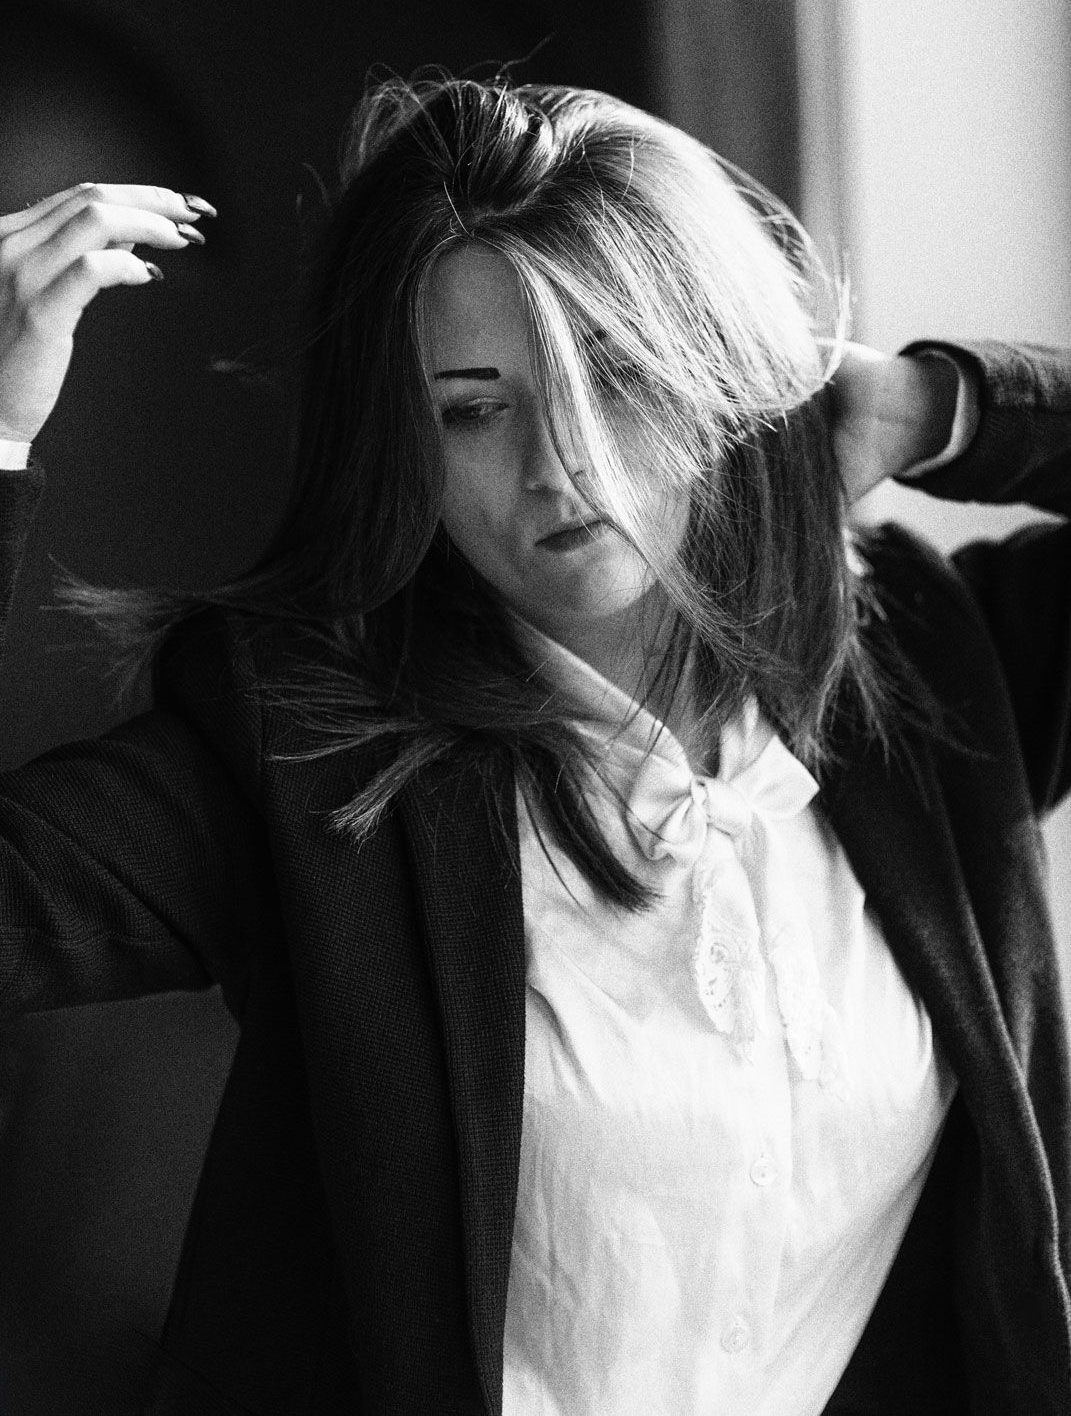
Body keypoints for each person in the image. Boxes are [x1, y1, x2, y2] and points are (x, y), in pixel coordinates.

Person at [0, 74, 1068, 1416]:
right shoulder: (297, 754)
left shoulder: (932, 679)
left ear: (721, 366)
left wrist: (938, 405)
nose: (561, 463)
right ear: (404, 445)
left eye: (615, 374)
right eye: (474, 408)